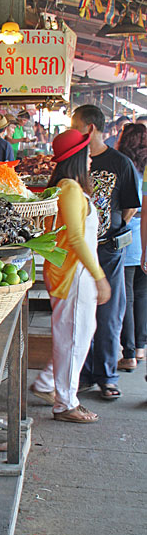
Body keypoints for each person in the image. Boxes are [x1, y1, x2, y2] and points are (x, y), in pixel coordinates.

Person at [30, 129, 110, 423]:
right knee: (74, 337)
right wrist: (98, 276)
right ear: (77, 158)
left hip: (73, 272)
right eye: (87, 155)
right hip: (75, 274)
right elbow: (76, 238)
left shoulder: (69, 187)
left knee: (74, 335)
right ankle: (65, 403)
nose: (91, 159)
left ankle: (48, 384)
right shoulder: (71, 189)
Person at [72, 105, 140, 400]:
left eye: (75, 127)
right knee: (81, 311)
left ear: (89, 129)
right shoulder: (76, 162)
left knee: (109, 313)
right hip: (79, 249)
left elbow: (131, 206)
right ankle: (85, 373)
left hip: (108, 250)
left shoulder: (120, 163)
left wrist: (109, 232)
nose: (72, 132)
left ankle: (108, 376)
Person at [116, 123, 147, 370]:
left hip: (129, 238)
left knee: (126, 298)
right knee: (141, 296)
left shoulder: (124, 165)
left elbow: (134, 207)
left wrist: (120, 226)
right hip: (144, 242)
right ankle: (140, 348)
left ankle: (128, 354)